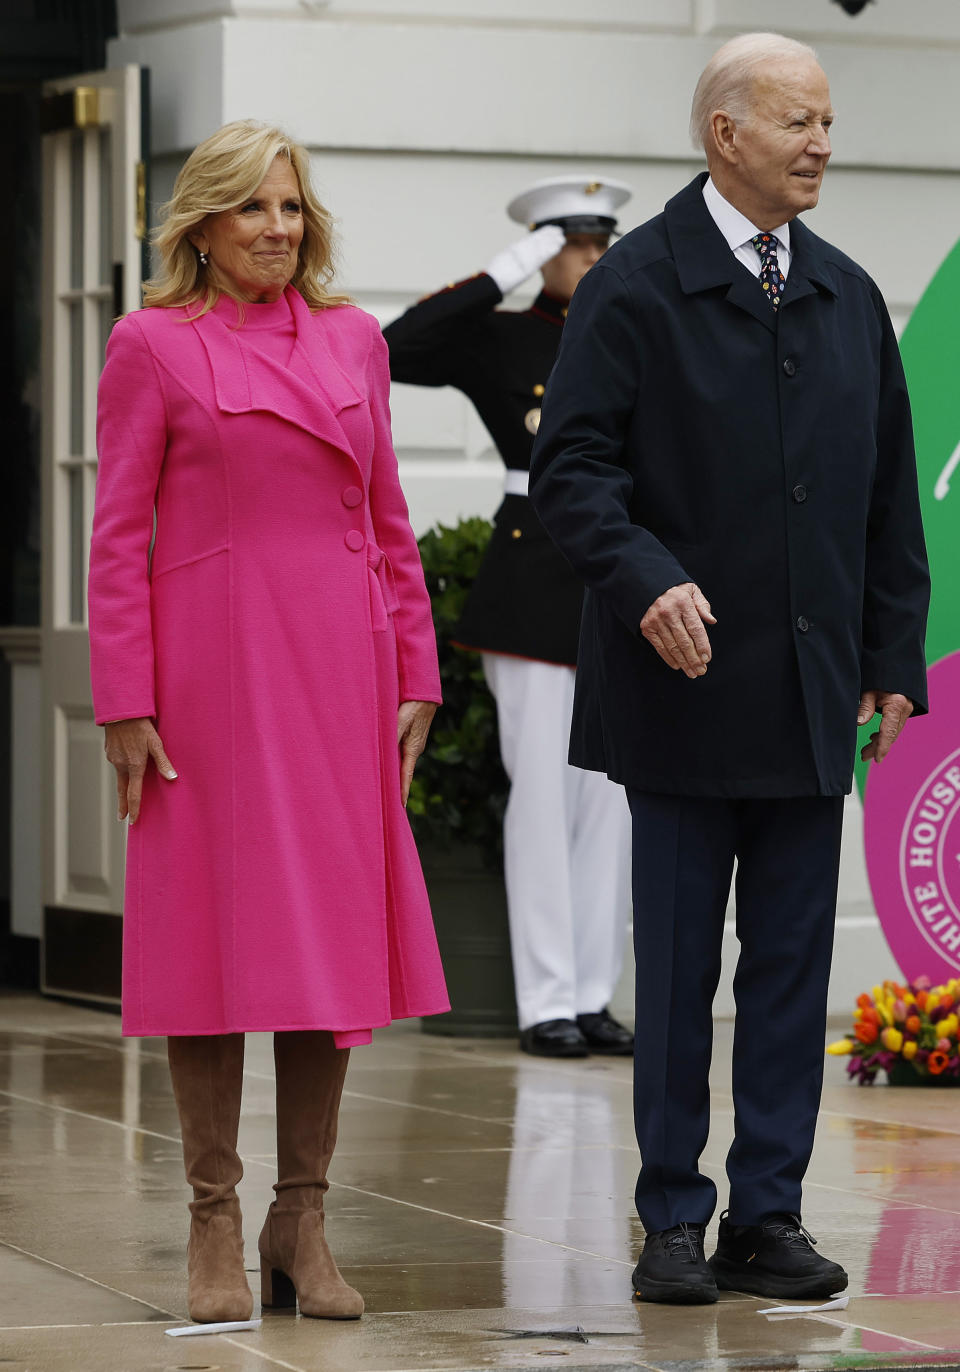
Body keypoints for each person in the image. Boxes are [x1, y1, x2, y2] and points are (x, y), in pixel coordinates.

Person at [530, 32, 929, 1304]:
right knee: (683, 963)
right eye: (798, 121)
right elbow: (573, 473)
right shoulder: (638, 285)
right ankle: (669, 1221)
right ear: (725, 134)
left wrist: (890, 655)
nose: (822, 142)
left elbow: (885, 505)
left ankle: (769, 1213)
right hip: (684, 692)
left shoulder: (850, 292)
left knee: (793, 966)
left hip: (813, 697)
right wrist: (647, 579)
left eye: (827, 120)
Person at [88, 121, 449, 1324]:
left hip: (339, 672)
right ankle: (213, 1219)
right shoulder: (150, 344)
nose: (279, 229)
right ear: (202, 223)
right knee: (206, 945)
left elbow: (387, 516)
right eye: (254, 209)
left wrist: (417, 668)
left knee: (326, 945)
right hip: (210, 682)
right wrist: (125, 699)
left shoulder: (353, 341)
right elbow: (116, 535)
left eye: (292, 208)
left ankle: (303, 1219)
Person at [385, 177, 635, 1059]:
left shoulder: (634, 332)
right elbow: (396, 347)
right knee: (541, 794)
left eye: (605, 245)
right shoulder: (500, 337)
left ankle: (595, 994)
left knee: (611, 802)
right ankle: (546, 1001)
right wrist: (511, 267)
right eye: (576, 245)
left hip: (620, 586)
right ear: (543, 250)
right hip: (533, 582)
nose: (595, 261)